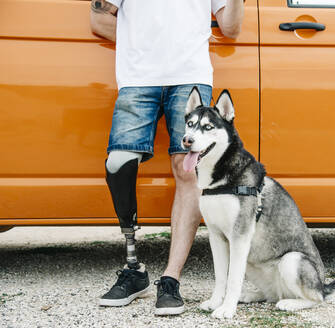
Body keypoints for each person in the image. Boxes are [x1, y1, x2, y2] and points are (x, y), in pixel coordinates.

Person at [89, 0, 244, 315]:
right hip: (138, 78)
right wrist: (148, 46)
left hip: (190, 75)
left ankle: (170, 280)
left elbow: (230, 28)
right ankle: (134, 270)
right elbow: (98, 20)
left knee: (187, 171)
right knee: (118, 164)